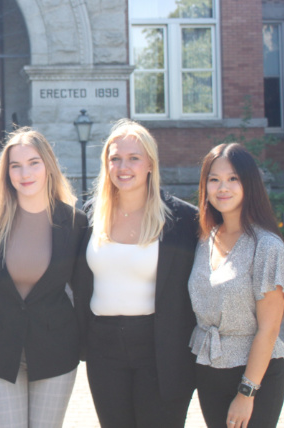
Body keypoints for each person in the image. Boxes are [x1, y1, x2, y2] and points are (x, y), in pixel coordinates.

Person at [73, 119, 199, 428]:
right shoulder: (88, 215)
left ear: (150, 164)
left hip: (161, 349)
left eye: (133, 158)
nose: (123, 166)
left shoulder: (182, 219)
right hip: (103, 348)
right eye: (115, 158)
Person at [0, 128, 87, 427]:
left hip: (56, 353)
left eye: (33, 162)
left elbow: (83, 291)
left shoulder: (75, 223)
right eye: (15, 165)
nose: (24, 173)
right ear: (7, 172)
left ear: (48, 166)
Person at [188, 143, 284, 428]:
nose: (222, 187)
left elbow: (269, 329)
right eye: (214, 179)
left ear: (249, 184)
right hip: (209, 371)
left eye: (233, 178)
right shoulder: (204, 240)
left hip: (255, 377)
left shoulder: (267, 246)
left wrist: (247, 392)